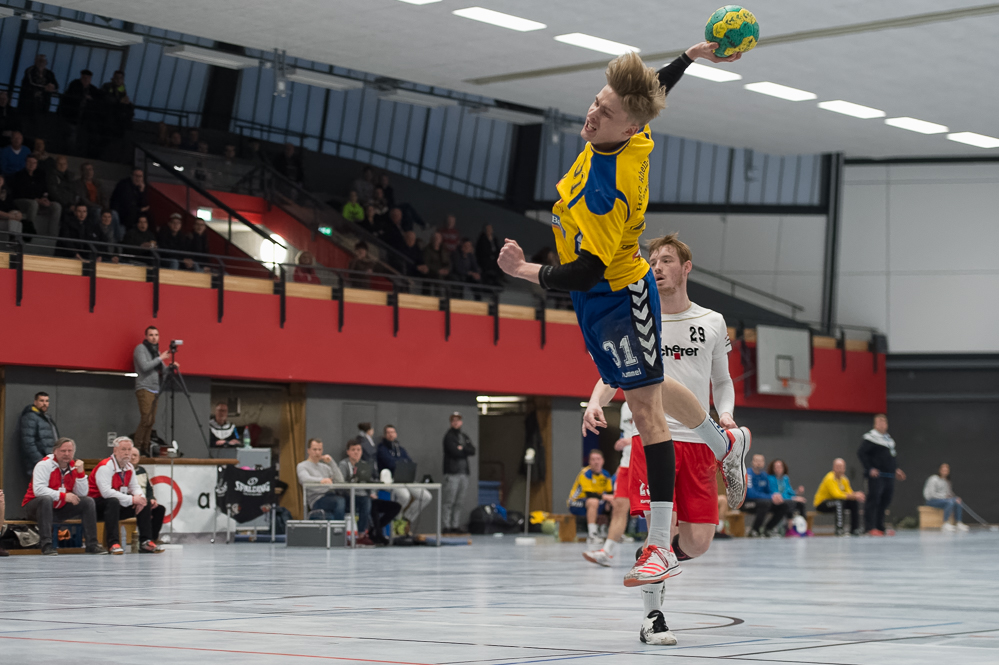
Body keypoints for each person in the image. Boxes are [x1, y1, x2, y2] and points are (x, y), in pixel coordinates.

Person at [498, 48, 746, 644]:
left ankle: (658, 546)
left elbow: (582, 271)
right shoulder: (633, 137)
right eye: (595, 102)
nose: (592, 114)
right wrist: (689, 56)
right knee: (651, 391)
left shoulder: (608, 188)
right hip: (596, 302)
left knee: (645, 410)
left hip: (614, 294)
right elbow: (652, 91)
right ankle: (724, 444)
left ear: (627, 125)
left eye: (604, 112)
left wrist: (523, 270)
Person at [583, 235, 742, 575]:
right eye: (652, 262)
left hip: (699, 438)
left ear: (686, 268)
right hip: (652, 436)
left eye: (666, 260)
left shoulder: (712, 321)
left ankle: (658, 555)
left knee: (698, 542)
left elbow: (722, 381)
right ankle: (654, 588)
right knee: (661, 529)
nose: (657, 267)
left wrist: (726, 414)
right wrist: (595, 402)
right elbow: (614, 373)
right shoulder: (636, 320)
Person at [22, 437, 106, 555]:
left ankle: (92, 544)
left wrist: (81, 474)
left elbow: (82, 493)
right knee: (46, 499)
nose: (66, 454)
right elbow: (38, 490)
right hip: (36, 508)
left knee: (88, 501)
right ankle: (46, 545)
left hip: (59, 508)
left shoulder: (74, 466)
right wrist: (63, 496)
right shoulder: (44, 465)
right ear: (55, 451)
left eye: (69, 451)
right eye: (63, 451)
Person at [585, 403, 637, 566]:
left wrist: (631, 441)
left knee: (653, 512)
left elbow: (661, 433)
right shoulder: (625, 407)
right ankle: (606, 551)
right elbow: (626, 432)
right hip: (626, 465)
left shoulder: (654, 398)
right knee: (619, 507)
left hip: (648, 464)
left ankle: (663, 553)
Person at [88, 436, 159, 554]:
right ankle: (113, 544)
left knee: (145, 502)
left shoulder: (129, 467)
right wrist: (132, 499)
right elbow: (106, 492)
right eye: (123, 449)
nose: (127, 453)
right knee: (113, 501)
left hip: (116, 505)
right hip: (95, 506)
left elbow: (135, 487)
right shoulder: (105, 466)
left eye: (129, 450)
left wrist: (140, 499)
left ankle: (145, 541)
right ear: (115, 451)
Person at [858, 413, 906, 536]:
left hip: (889, 476)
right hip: (877, 476)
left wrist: (896, 469)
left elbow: (891, 457)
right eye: (879, 422)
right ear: (875, 424)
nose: (882, 424)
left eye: (884, 422)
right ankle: (869, 527)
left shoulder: (888, 440)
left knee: (885, 501)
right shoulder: (870, 438)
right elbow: (861, 454)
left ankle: (880, 526)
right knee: (873, 500)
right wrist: (870, 468)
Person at [378, 425, 432, 529]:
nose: (391, 434)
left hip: (406, 478)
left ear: (396, 434)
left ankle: (407, 518)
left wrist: (400, 462)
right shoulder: (382, 449)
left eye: (392, 432)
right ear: (385, 435)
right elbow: (390, 463)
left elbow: (410, 462)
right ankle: (396, 519)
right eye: (388, 432)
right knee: (405, 496)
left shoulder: (400, 449)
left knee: (426, 496)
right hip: (391, 480)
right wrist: (402, 462)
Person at [133, 326, 172, 455]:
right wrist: (160, 358)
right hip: (144, 387)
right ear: (146, 337)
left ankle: (145, 447)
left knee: (151, 420)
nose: (154, 338)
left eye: (156, 335)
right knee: (146, 418)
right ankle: (137, 447)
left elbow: (163, 370)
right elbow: (145, 366)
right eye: (151, 335)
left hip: (155, 389)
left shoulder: (156, 352)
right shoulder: (141, 348)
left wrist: (171, 366)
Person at [568, 449, 615, 547]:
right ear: (589, 462)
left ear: (603, 461)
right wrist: (607, 497)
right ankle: (592, 535)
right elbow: (589, 494)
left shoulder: (606, 474)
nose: (596, 462)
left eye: (598, 459)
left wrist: (609, 501)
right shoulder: (585, 473)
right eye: (593, 459)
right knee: (593, 501)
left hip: (597, 501)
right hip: (577, 503)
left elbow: (610, 493)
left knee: (617, 502)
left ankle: (616, 534)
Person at [441, 412, 476, 533]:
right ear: (451, 422)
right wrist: (463, 449)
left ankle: (455, 525)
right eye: (454, 421)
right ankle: (446, 526)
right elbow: (454, 452)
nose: (456, 423)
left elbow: (472, 450)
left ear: (461, 422)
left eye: (458, 420)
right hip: (452, 473)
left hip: (464, 473)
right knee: (449, 501)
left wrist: (462, 448)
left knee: (459, 501)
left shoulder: (464, 436)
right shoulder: (449, 437)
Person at [296, 438, 346, 521]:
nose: (317, 452)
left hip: (331, 495)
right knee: (339, 501)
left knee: (358, 500)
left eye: (319, 450)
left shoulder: (325, 467)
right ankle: (339, 527)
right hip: (317, 499)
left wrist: (331, 463)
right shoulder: (302, 466)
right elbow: (304, 479)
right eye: (314, 449)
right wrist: (321, 480)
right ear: (308, 450)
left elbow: (340, 481)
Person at [338, 439, 377, 546]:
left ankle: (364, 534)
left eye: (358, 450)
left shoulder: (365, 465)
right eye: (353, 450)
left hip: (363, 494)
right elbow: (341, 483)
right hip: (348, 495)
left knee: (369, 502)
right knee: (365, 502)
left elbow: (370, 481)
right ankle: (359, 533)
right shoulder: (343, 464)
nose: (356, 452)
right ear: (348, 452)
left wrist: (372, 491)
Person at [813, 458, 865, 536]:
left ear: (844, 468)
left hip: (837, 502)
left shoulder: (844, 479)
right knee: (839, 502)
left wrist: (856, 496)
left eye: (841, 467)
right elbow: (836, 495)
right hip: (822, 504)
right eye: (837, 467)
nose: (840, 469)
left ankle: (855, 529)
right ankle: (839, 529)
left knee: (853, 502)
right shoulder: (830, 478)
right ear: (833, 468)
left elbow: (849, 492)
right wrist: (854, 495)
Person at [12, 155, 62, 236]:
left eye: (34, 163)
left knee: (56, 206)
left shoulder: (40, 175)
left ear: (36, 164)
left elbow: (45, 189)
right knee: (33, 204)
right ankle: (28, 229)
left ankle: (52, 234)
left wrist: (45, 198)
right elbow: (20, 192)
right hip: (22, 201)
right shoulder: (19, 175)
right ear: (25, 163)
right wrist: (36, 199)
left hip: (39, 201)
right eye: (29, 162)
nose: (31, 165)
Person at [128, 447, 166, 545]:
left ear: (139, 458)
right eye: (131, 455)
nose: (133, 457)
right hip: (133, 501)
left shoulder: (142, 470)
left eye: (135, 455)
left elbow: (148, 488)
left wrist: (152, 498)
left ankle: (153, 538)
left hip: (145, 500)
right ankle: (145, 540)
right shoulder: (124, 471)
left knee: (160, 509)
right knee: (146, 505)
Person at [742, 454, 785, 537]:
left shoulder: (764, 475)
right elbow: (751, 494)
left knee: (783, 505)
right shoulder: (748, 474)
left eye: (761, 461)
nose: (758, 463)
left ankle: (768, 529)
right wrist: (770, 497)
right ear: (752, 462)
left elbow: (769, 491)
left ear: (764, 463)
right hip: (747, 503)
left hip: (762, 503)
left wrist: (775, 496)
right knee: (765, 503)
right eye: (756, 461)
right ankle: (754, 530)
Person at [19, 391, 59, 477]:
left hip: (50, 461)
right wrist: (41, 461)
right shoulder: (30, 417)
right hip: (38, 463)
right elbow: (28, 443)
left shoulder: (46, 417)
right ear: (35, 402)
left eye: (47, 401)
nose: (44, 404)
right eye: (41, 401)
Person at [924, 463, 968, 532]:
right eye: (943, 470)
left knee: (957, 501)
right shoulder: (933, 479)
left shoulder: (946, 481)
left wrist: (955, 497)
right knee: (949, 502)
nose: (945, 472)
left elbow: (949, 494)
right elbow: (931, 494)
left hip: (943, 500)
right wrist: (944, 497)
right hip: (931, 500)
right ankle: (945, 524)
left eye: (947, 470)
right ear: (940, 470)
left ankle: (959, 523)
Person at [18, 53, 58, 118]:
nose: (41, 63)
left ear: (46, 62)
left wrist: (52, 87)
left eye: (43, 61)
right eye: (40, 61)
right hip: (29, 102)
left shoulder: (50, 73)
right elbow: (30, 83)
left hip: (43, 103)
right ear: (35, 61)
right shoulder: (30, 70)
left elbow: (56, 86)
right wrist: (45, 88)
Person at [768, 459, 807, 523]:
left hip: (787, 499)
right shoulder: (770, 479)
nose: (778, 469)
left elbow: (790, 492)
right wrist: (792, 498)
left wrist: (797, 492)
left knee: (801, 503)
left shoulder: (785, 478)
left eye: (779, 467)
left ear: (784, 468)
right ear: (773, 469)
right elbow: (776, 495)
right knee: (789, 503)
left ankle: (804, 525)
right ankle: (789, 524)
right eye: (775, 467)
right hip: (777, 501)